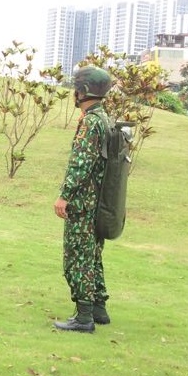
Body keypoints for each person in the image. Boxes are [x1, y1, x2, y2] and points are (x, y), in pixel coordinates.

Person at [53, 65, 114, 333]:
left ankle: (84, 317)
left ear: (83, 91)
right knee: (92, 255)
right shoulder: (104, 119)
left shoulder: (90, 122)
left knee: (77, 257)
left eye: (76, 88)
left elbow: (81, 163)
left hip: (83, 203)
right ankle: (99, 308)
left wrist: (64, 196)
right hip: (98, 203)